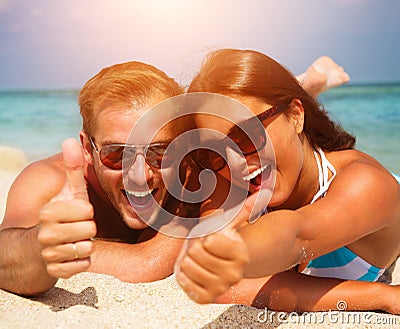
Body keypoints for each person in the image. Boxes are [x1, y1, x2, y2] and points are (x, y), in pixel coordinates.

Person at [0, 56, 350, 297]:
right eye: (115, 154)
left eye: (158, 151)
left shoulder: (192, 166)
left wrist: (81, 250)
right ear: (87, 149)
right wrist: (41, 245)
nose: (139, 175)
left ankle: (306, 86)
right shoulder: (49, 180)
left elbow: (147, 264)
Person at [175, 48, 400, 312]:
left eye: (247, 134)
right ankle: (308, 85)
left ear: (295, 115)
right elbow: (227, 288)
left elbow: (298, 238)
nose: (234, 163)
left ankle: (308, 86)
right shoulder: (223, 169)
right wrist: (381, 295)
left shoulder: (367, 185)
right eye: (214, 149)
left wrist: (235, 252)